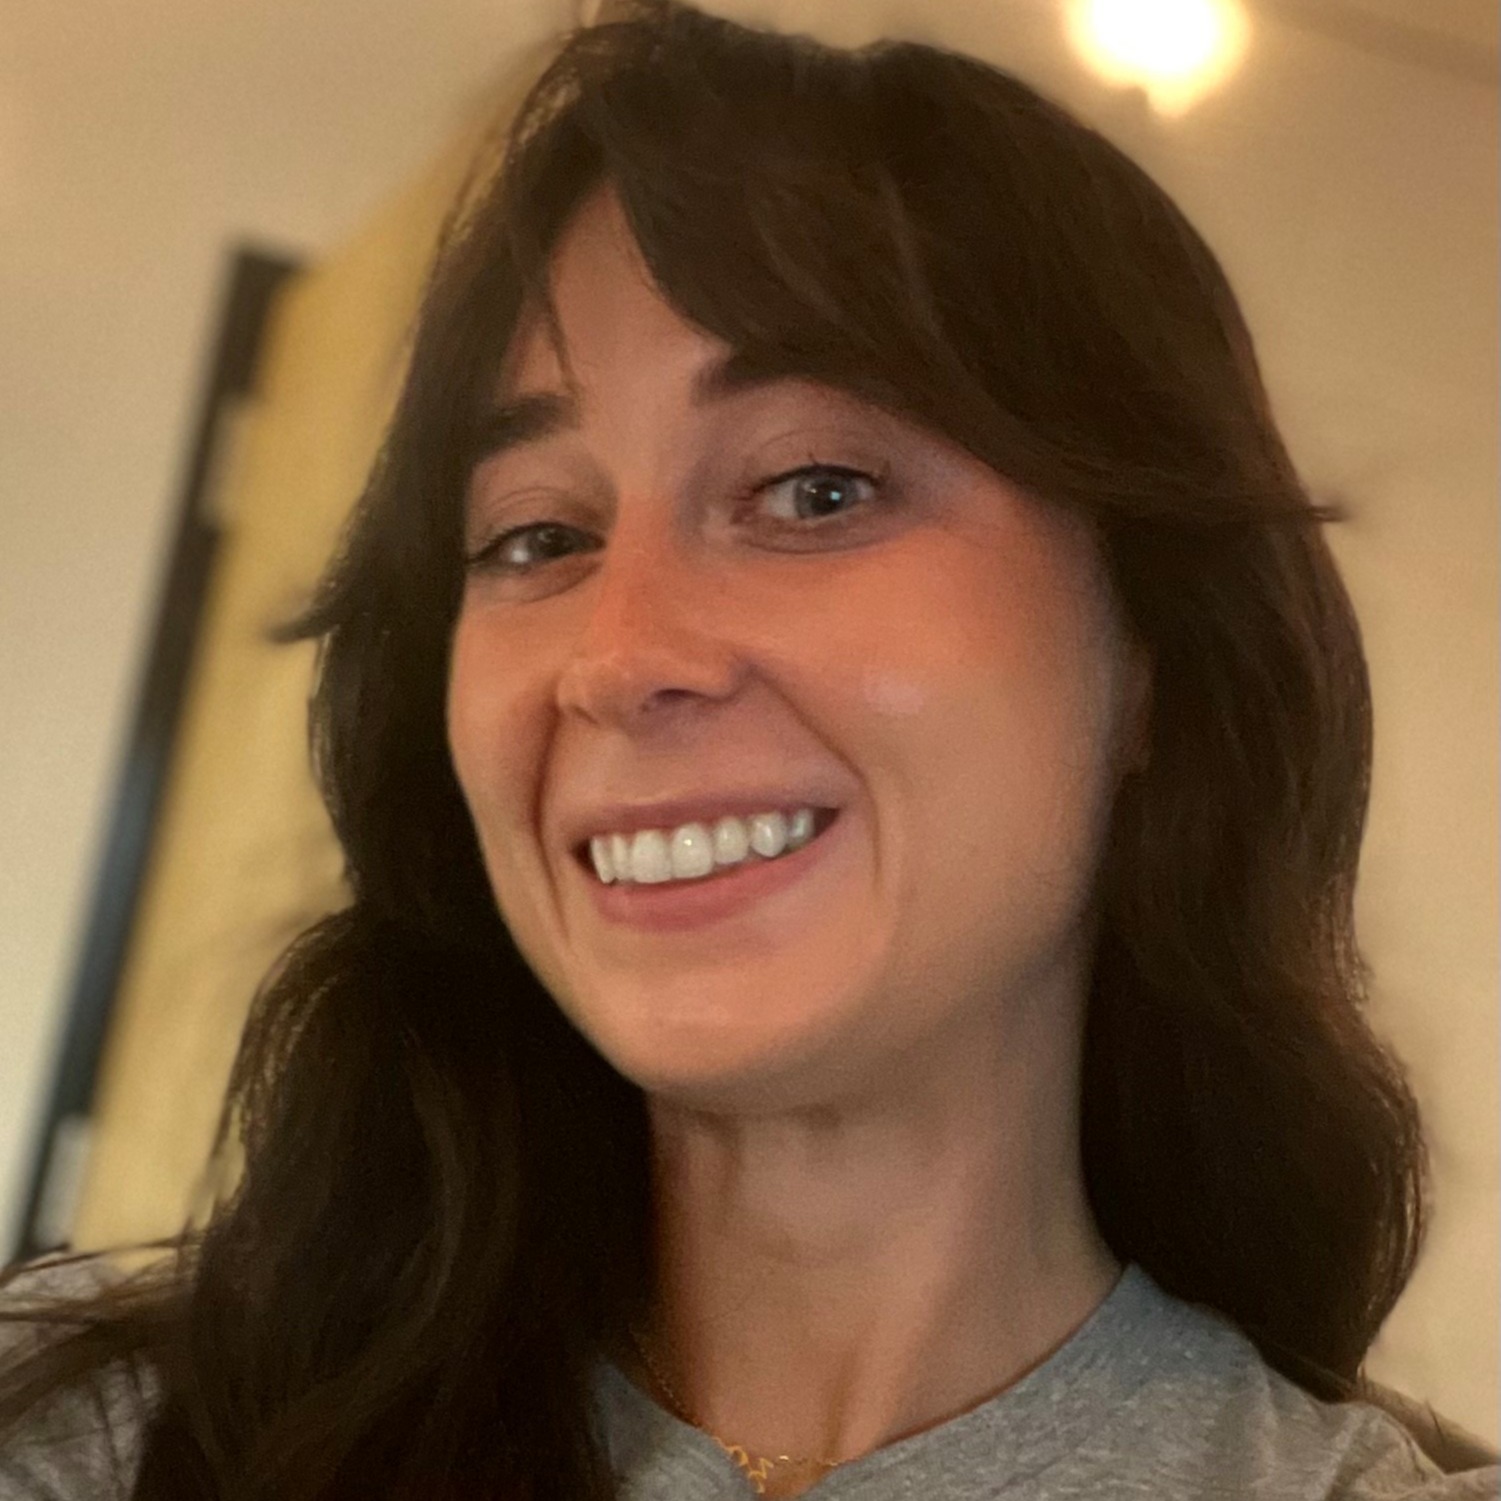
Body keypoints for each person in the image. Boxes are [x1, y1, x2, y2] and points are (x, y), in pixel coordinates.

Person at [1, 2, 1496, 1497]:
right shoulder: (99, 1428)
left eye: (817, 489)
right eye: (537, 533)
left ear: (1157, 647)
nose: (621, 653)